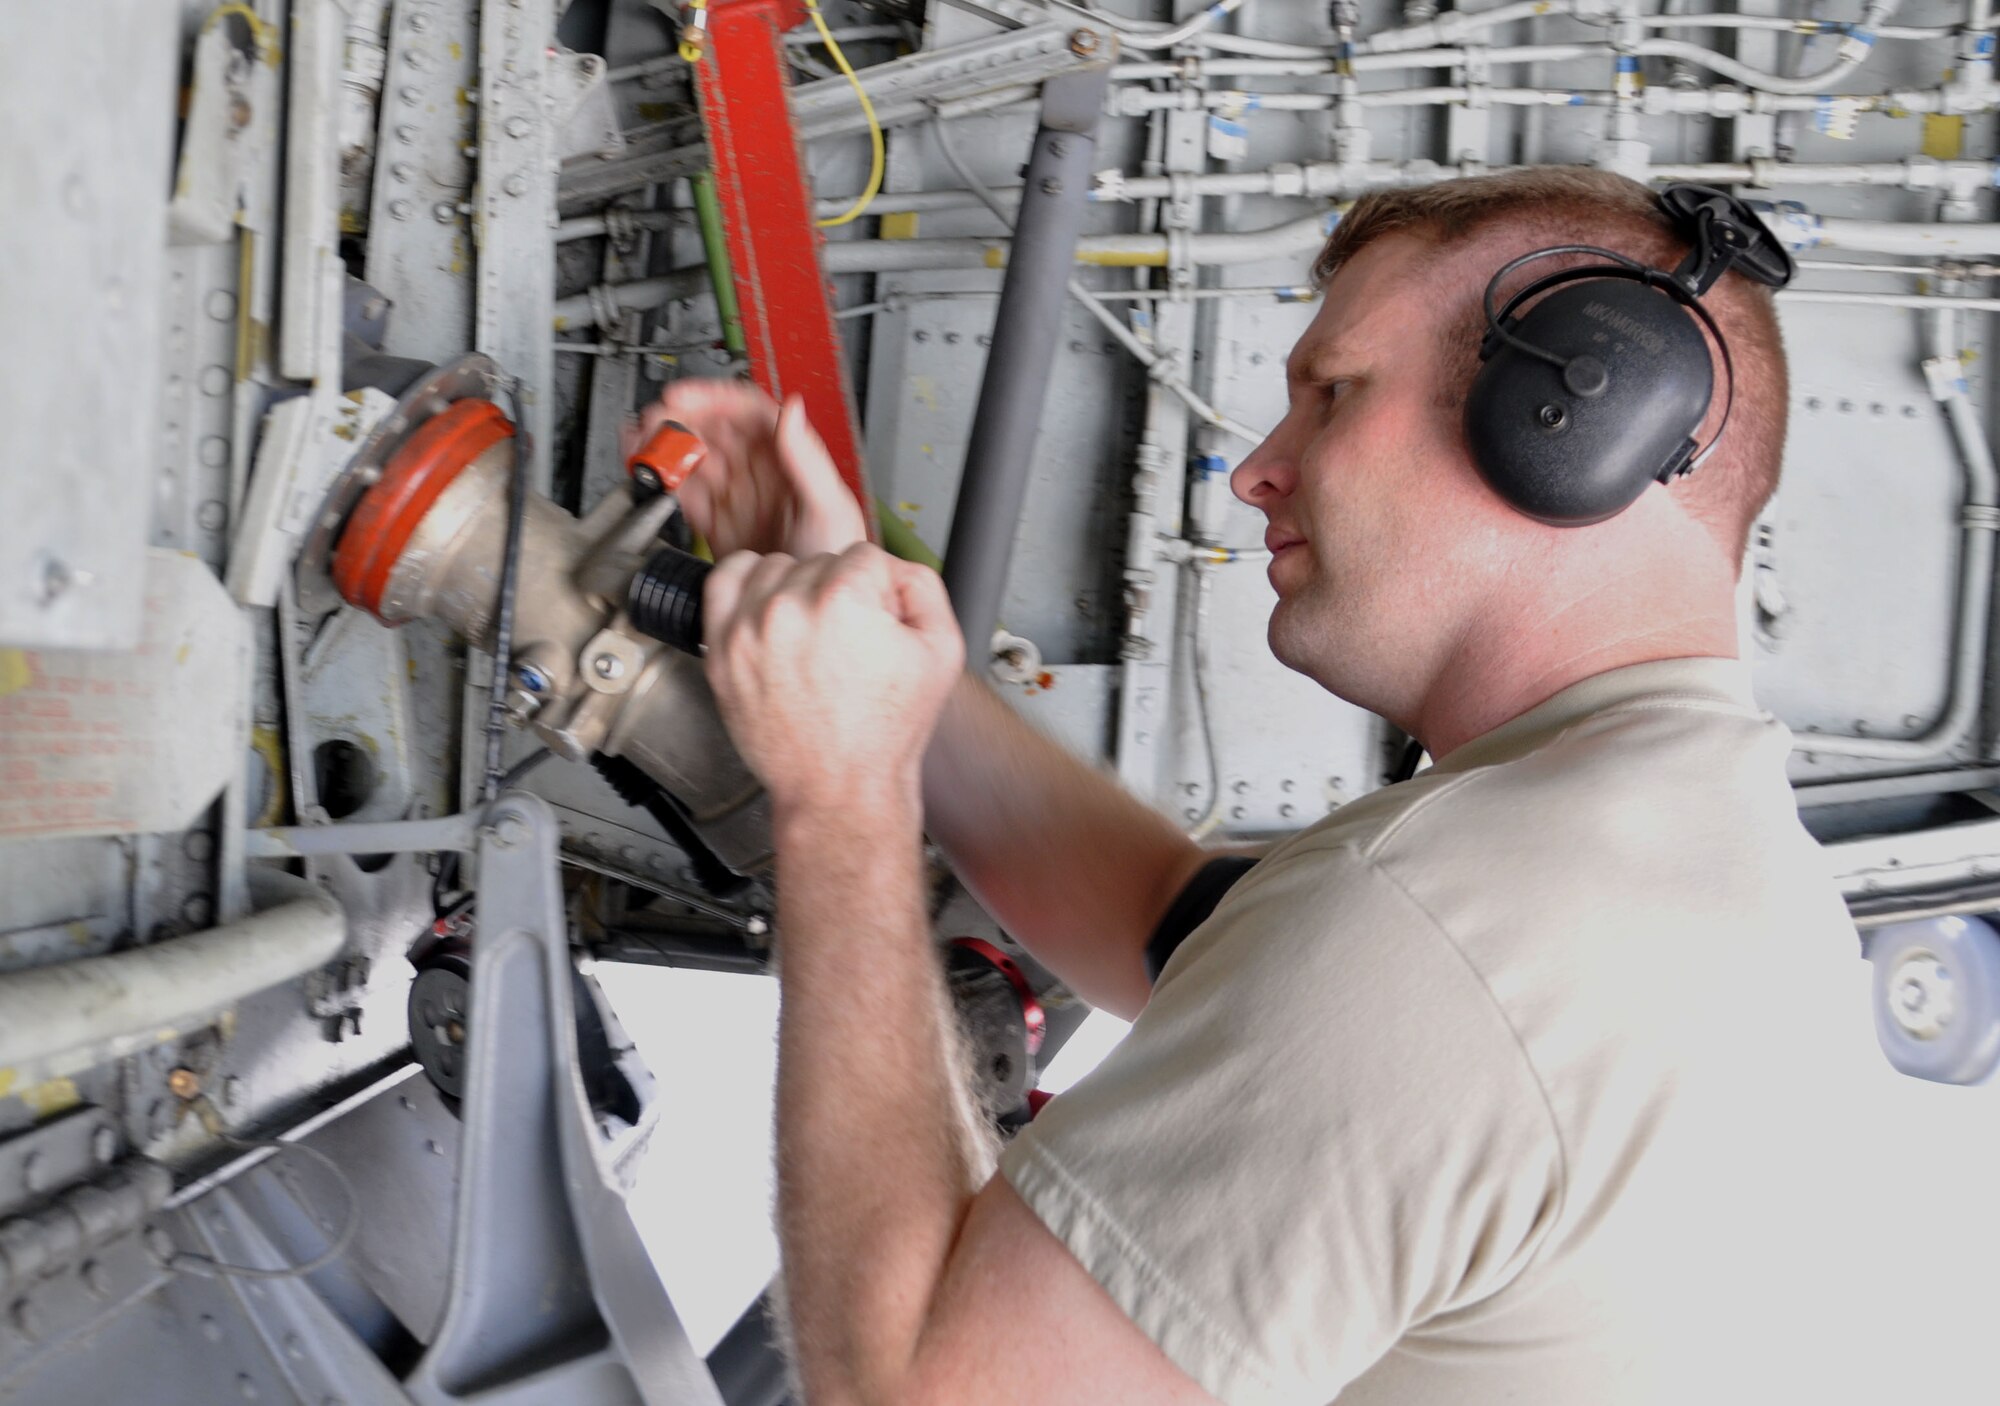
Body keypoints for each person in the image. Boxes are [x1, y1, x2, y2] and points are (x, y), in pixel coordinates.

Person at [639, 168, 1925, 1405]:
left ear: (1571, 419)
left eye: (1331, 392)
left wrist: (839, 798)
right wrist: (878, 667)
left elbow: (907, 1391)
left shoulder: (1451, 929)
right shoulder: (1673, 854)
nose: (1256, 466)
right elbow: (1163, 916)